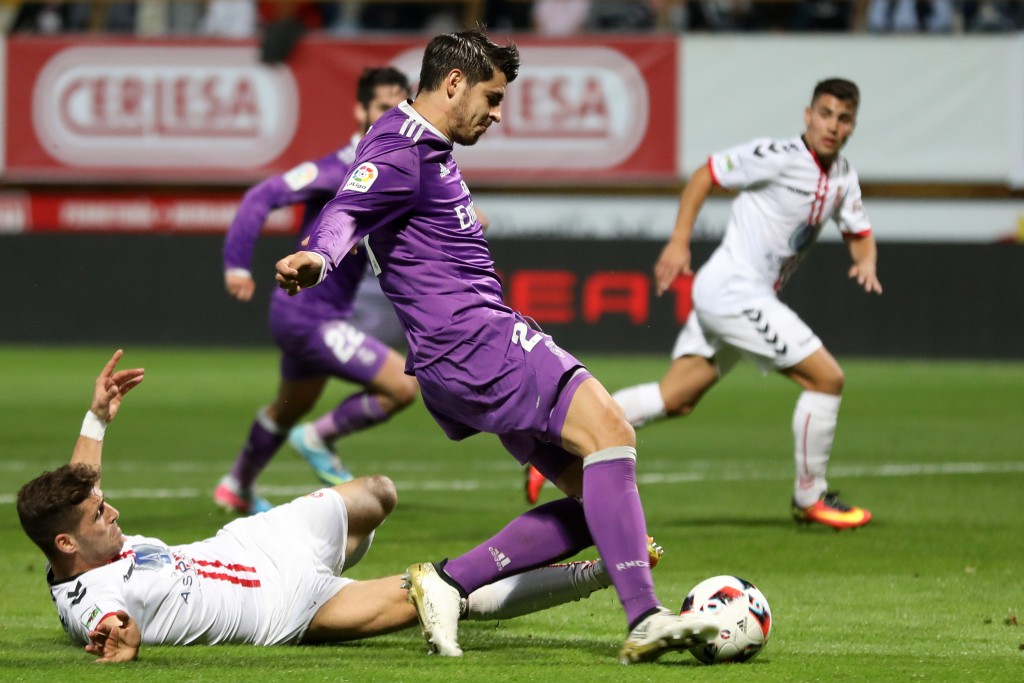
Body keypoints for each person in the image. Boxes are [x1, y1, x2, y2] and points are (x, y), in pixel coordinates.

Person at [273, 28, 720, 664]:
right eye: (492, 96)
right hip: (476, 340)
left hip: (457, 355)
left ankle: (448, 582)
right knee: (613, 431)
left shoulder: (427, 147)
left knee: (601, 503)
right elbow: (347, 207)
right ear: (452, 83)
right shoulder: (399, 148)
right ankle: (645, 617)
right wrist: (319, 254)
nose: (497, 112)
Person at [16, 350, 658, 664]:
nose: (113, 511)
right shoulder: (91, 603)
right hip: (285, 609)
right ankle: (592, 573)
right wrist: (118, 644)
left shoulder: (76, 545)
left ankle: (351, 563)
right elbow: (108, 625)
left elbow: (82, 487)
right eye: (101, 515)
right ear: (69, 545)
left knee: (378, 492)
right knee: (436, 592)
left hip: (254, 543)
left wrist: (96, 417)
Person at [611, 78, 880, 530]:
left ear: (853, 125)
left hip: (741, 295)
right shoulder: (776, 157)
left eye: (844, 118)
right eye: (826, 113)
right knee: (827, 380)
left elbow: (859, 233)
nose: (832, 125)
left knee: (674, 397)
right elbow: (706, 174)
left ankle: (565, 444)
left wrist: (865, 262)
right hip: (734, 289)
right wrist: (679, 243)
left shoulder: (843, 177)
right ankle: (810, 496)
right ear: (808, 115)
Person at [215, 67, 419, 515]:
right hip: (310, 316)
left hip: (308, 314)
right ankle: (318, 438)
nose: (393, 117)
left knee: (289, 406)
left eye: (400, 109)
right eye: (384, 108)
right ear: (360, 109)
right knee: (402, 387)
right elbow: (260, 197)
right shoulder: (338, 168)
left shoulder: (392, 167)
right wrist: (236, 264)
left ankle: (237, 485)